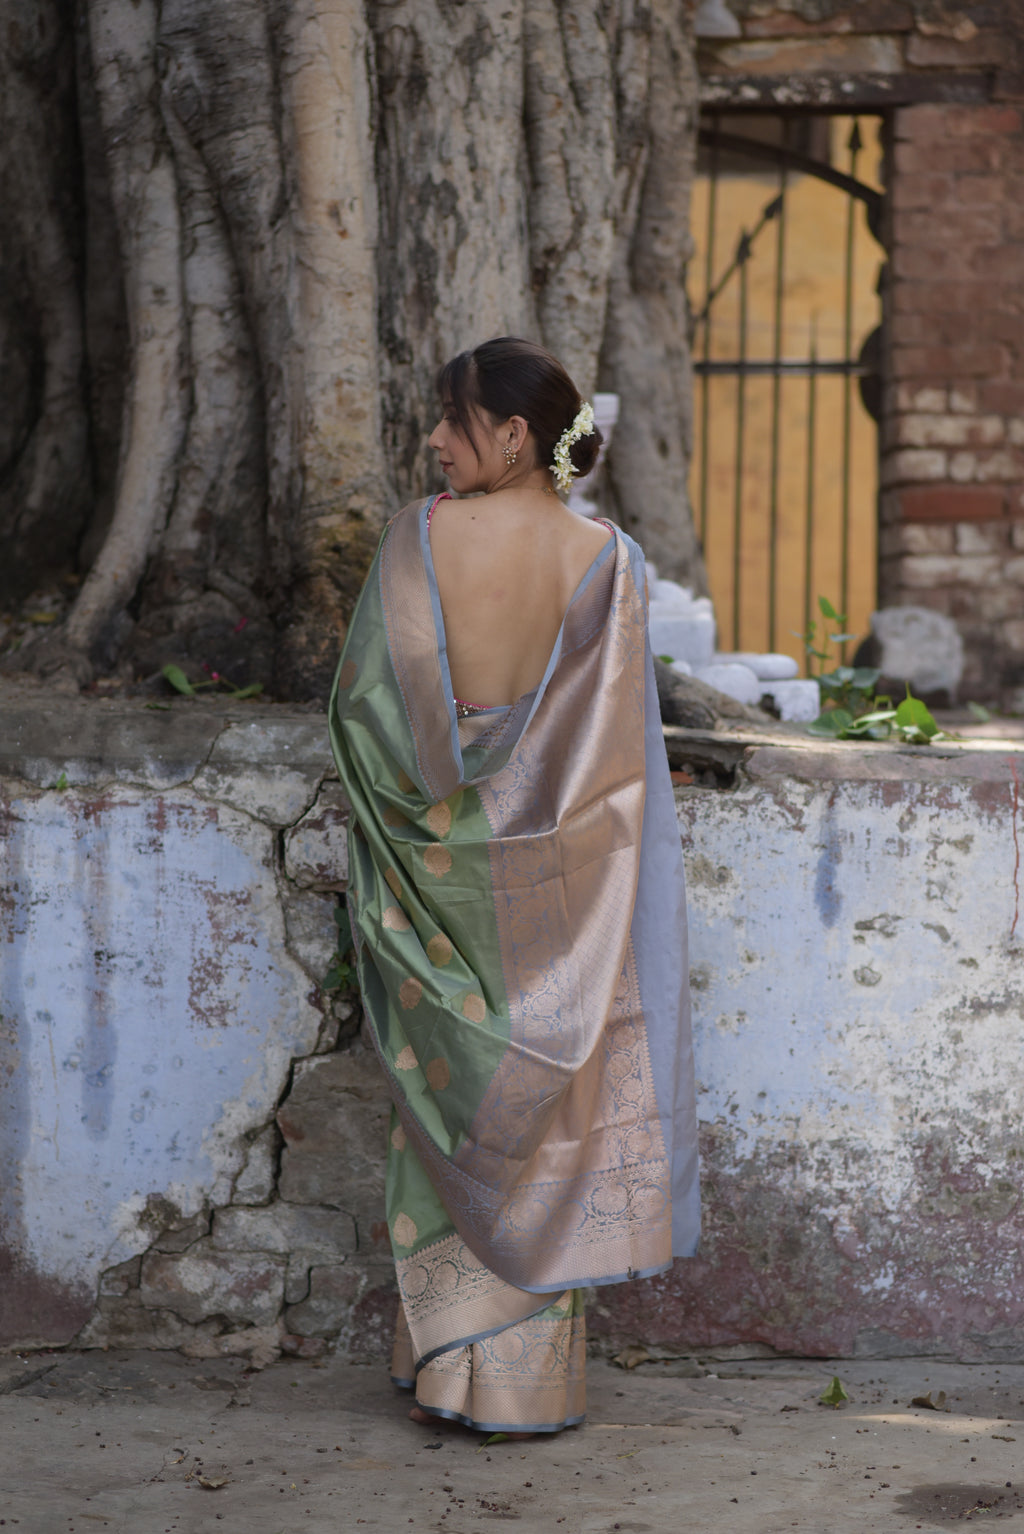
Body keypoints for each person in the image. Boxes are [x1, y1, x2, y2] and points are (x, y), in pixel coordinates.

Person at [328, 336, 700, 1437]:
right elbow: (614, 754)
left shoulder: (420, 540)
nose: (435, 441)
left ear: (513, 435)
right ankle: (524, 1385)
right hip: (556, 875)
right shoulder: (606, 558)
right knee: (542, 1112)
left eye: (452, 419)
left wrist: (435, 814)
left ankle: (445, 1363)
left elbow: (364, 717)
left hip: (432, 865)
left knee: (449, 1089)